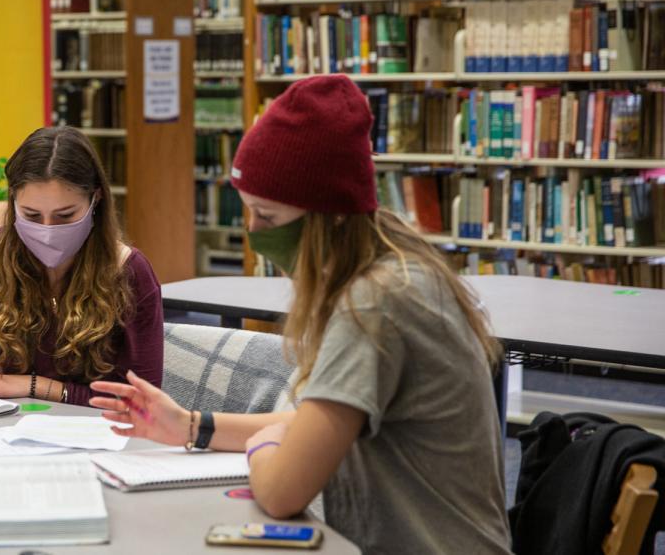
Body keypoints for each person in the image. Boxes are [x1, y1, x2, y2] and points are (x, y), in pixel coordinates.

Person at [90, 75, 511, 554]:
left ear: (328, 215)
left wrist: (263, 448)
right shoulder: (395, 269)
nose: (253, 232)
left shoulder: (377, 304)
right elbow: (311, 423)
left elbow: (280, 490)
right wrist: (189, 425)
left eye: (267, 218)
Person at [0, 126, 164, 410]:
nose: (47, 229)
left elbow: (144, 401)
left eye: (65, 216)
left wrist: (34, 386)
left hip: (96, 440)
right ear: (13, 200)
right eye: (31, 215)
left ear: (95, 199)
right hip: (2, 434)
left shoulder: (129, 271)